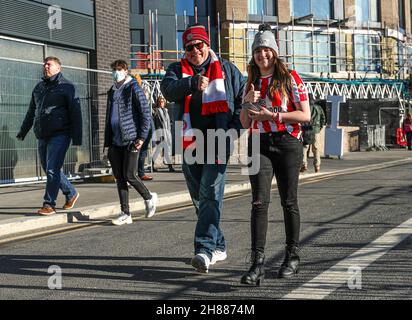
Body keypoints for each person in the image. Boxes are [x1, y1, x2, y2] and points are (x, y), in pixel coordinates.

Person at [161, 23, 246, 273]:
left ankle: (204, 250)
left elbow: (243, 102)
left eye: (199, 45)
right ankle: (219, 244)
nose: (194, 51)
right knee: (200, 196)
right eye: (189, 47)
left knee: (210, 191)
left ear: (208, 45)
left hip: (219, 139)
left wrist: (232, 131)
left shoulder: (228, 70)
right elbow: (167, 90)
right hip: (190, 141)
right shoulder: (177, 69)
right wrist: (191, 83)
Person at [239, 23, 310, 285]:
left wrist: (274, 115)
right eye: (258, 50)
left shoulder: (290, 77)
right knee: (259, 203)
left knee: (288, 202)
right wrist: (247, 101)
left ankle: (292, 256)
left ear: (274, 52)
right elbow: (245, 123)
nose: (262, 55)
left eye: (267, 49)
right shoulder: (251, 81)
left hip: (288, 142)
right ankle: (257, 265)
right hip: (258, 142)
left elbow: (305, 115)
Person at [16, 56, 82, 215]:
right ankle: (71, 192)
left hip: (61, 133)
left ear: (58, 68)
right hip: (42, 134)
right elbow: (32, 112)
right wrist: (23, 131)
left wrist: (77, 137)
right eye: (44, 64)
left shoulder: (67, 87)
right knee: (48, 168)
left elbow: (76, 113)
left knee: (53, 168)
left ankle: (49, 204)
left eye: (49, 64)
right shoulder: (38, 88)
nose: (45, 66)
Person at [104, 59, 158, 226]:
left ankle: (149, 197)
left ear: (126, 71)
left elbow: (145, 114)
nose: (116, 73)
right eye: (114, 70)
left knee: (130, 174)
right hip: (115, 140)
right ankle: (125, 213)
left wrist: (141, 138)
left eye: (119, 69)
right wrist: (107, 141)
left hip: (131, 139)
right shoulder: (112, 91)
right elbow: (109, 117)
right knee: (119, 177)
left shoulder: (134, 88)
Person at [301, 96, 326, 173]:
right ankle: (317, 165)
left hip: (306, 129)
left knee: (304, 147)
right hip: (316, 130)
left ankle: (304, 164)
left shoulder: (305, 108)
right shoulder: (318, 108)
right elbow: (323, 119)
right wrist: (319, 127)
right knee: (316, 148)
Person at [152, 96, 175, 173]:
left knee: (165, 150)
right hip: (159, 133)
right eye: (160, 102)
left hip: (167, 133)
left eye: (163, 102)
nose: (162, 103)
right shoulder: (156, 111)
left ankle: (169, 166)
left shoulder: (166, 110)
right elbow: (155, 124)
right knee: (159, 150)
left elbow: (168, 122)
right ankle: (170, 166)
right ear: (158, 103)